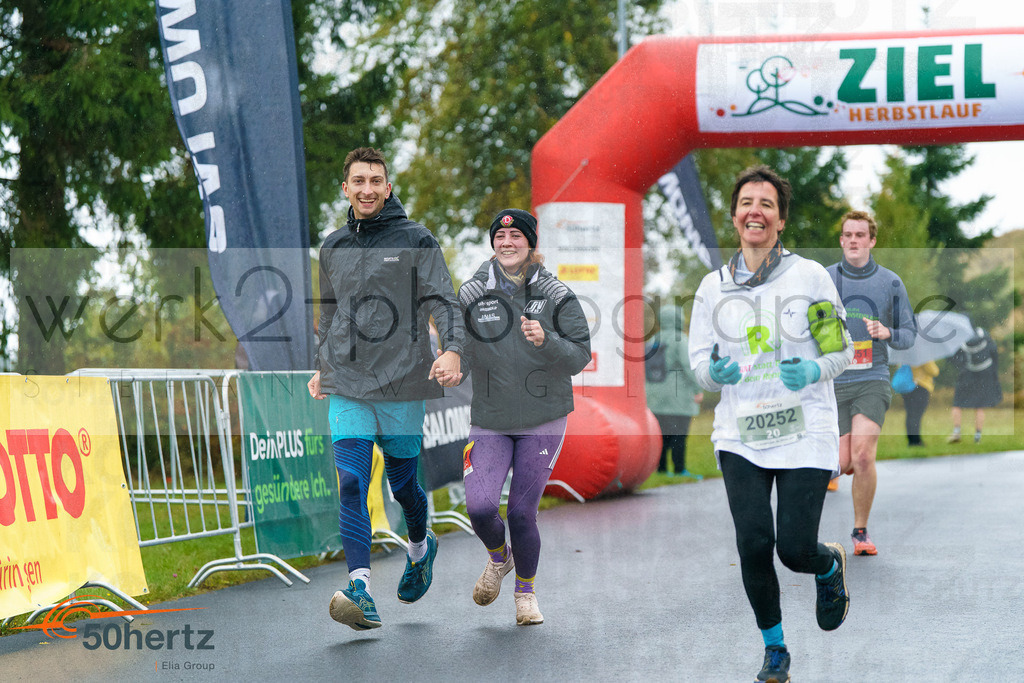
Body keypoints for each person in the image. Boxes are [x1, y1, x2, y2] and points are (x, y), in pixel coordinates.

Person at [688, 165, 853, 683]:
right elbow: (697, 361)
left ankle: (827, 566)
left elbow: (842, 349)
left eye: (766, 204)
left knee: (793, 549)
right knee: (754, 544)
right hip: (741, 434)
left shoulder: (810, 277)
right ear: (735, 216)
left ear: (780, 221)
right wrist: (712, 373)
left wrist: (814, 368)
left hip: (805, 431)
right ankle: (775, 649)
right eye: (746, 203)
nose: (754, 211)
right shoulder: (712, 287)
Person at [308, 147, 466, 631]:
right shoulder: (332, 246)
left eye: (376, 181)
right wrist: (322, 365)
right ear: (346, 188)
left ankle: (420, 546)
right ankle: (360, 587)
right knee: (352, 480)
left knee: (403, 488)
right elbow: (328, 317)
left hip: (402, 379)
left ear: (388, 187)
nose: (367, 189)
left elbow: (441, 298)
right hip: (347, 383)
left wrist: (452, 349)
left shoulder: (416, 238)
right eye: (358, 181)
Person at [457, 208, 591, 626]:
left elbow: (580, 355)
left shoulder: (555, 293)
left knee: (519, 512)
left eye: (516, 237)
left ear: (531, 244)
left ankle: (526, 594)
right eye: (500, 237)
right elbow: (459, 344)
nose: (507, 243)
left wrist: (547, 340)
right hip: (491, 418)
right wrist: (453, 362)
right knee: (479, 508)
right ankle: (500, 559)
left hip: (543, 419)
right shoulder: (472, 292)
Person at [825, 210, 916, 559]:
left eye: (860, 235)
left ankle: (860, 531)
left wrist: (888, 332)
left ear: (872, 240)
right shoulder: (826, 279)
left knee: (863, 457)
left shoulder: (890, 283)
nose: (852, 240)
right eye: (847, 235)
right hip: (834, 380)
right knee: (843, 462)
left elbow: (909, 335)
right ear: (841, 240)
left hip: (872, 379)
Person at [645, 303, 703, 477]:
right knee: (679, 433)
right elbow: (688, 365)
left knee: (660, 434)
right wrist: (698, 388)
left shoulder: (651, 340)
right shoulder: (681, 339)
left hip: (654, 395)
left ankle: (661, 469)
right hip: (678, 396)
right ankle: (679, 469)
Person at [948, 327, 1002, 443]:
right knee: (979, 406)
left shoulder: (960, 338)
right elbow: (994, 354)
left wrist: (962, 366)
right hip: (984, 375)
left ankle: (956, 432)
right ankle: (977, 436)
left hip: (967, 375)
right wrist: (993, 371)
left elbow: (953, 358)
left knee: (957, 404)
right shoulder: (984, 335)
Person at [903, 361, 939, 446]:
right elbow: (934, 371)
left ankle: (911, 440)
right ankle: (916, 441)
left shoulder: (905, 355)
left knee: (910, 414)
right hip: (921, 387)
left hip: (908, 387)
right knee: (917, 415)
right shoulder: (923, 356)